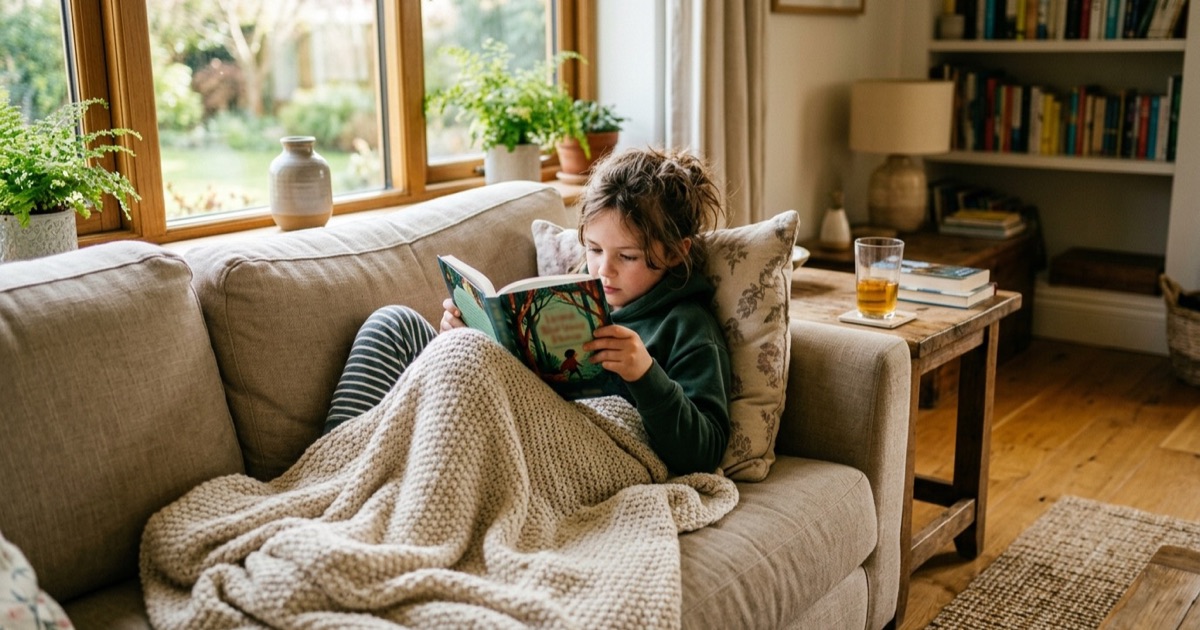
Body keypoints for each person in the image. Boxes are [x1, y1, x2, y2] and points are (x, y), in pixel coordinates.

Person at [324, 147, 732, 475]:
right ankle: (334, 469)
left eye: (627, 256)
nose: (603, 270)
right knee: (394, 323)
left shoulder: (687, 326)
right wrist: (463, 337)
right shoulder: (572, 292)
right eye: (593, 250)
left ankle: (363, 473)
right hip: (501, 410)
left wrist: (646, 376)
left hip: (560, 446)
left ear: (676, 253)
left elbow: (704, 453)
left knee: (468, 357)